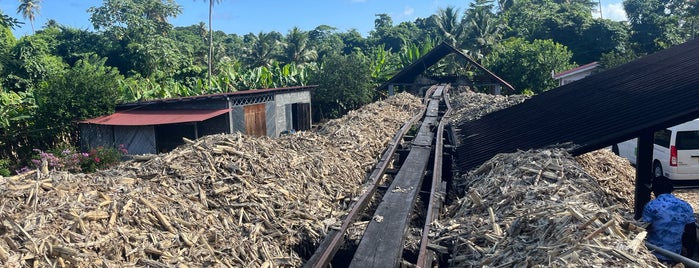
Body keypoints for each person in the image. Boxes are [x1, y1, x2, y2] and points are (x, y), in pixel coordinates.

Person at [642, 176, 696, 264]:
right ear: (671, 189)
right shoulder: (685, 206)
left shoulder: (651, 206)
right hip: (676, 255)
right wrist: (689, 253)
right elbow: (691, 232)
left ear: (654, 190)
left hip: (653, 255)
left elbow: (643, 229)